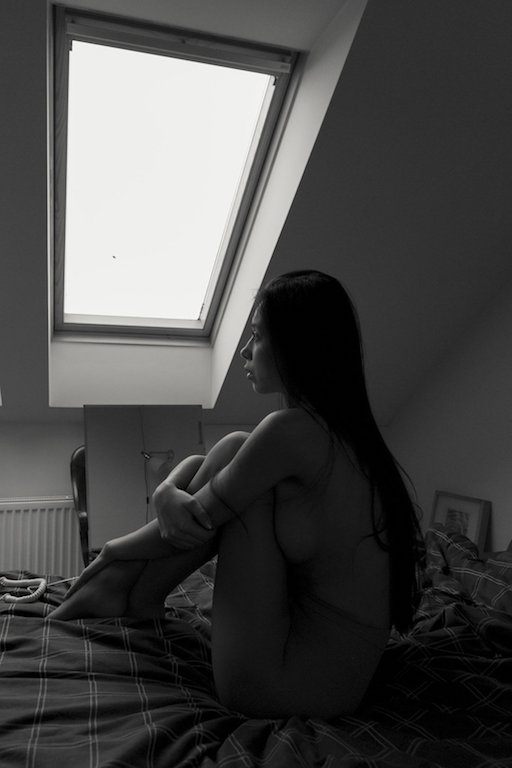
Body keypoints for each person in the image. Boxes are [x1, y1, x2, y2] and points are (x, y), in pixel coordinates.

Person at [50, 270, 423, 719]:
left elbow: (197, 518)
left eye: (257, 337)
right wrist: (167, 489)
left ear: (296, 348)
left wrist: (112, 552)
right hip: (324, 671)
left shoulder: (289, 433)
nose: (245, 350)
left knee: (238, 468)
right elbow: (210, 470)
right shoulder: (344, 435)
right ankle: (136, 596)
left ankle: (123, 590)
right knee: (234, 450)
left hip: (287, 687)